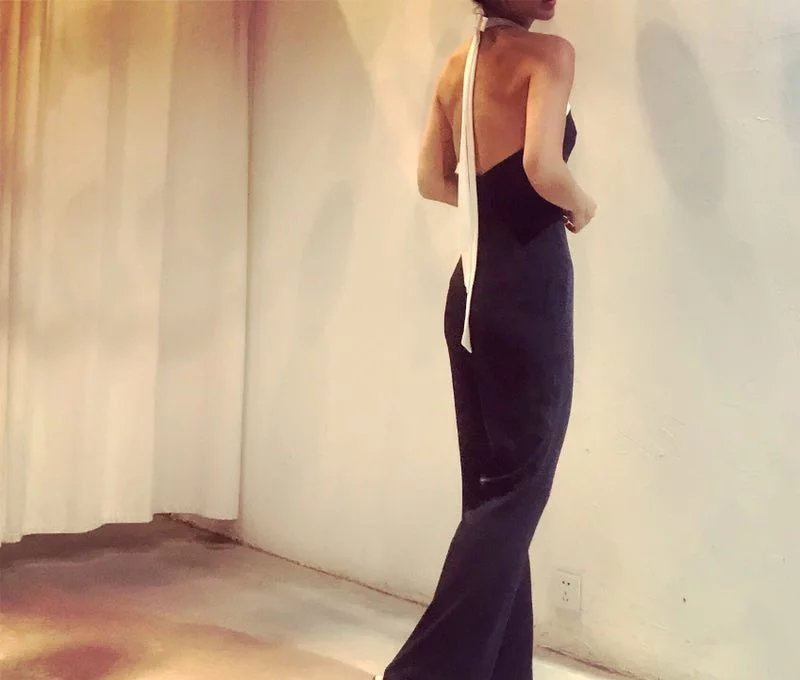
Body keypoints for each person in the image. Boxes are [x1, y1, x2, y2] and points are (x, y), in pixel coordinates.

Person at [377, 1, 596, 679]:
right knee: (515, 492)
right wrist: (581, 204)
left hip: (471, 289)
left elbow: (430, 180)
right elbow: (542, 165)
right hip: (528, 287)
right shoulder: (550, 55)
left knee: (490, 495)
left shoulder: (457, 66)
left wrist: (490, 204)